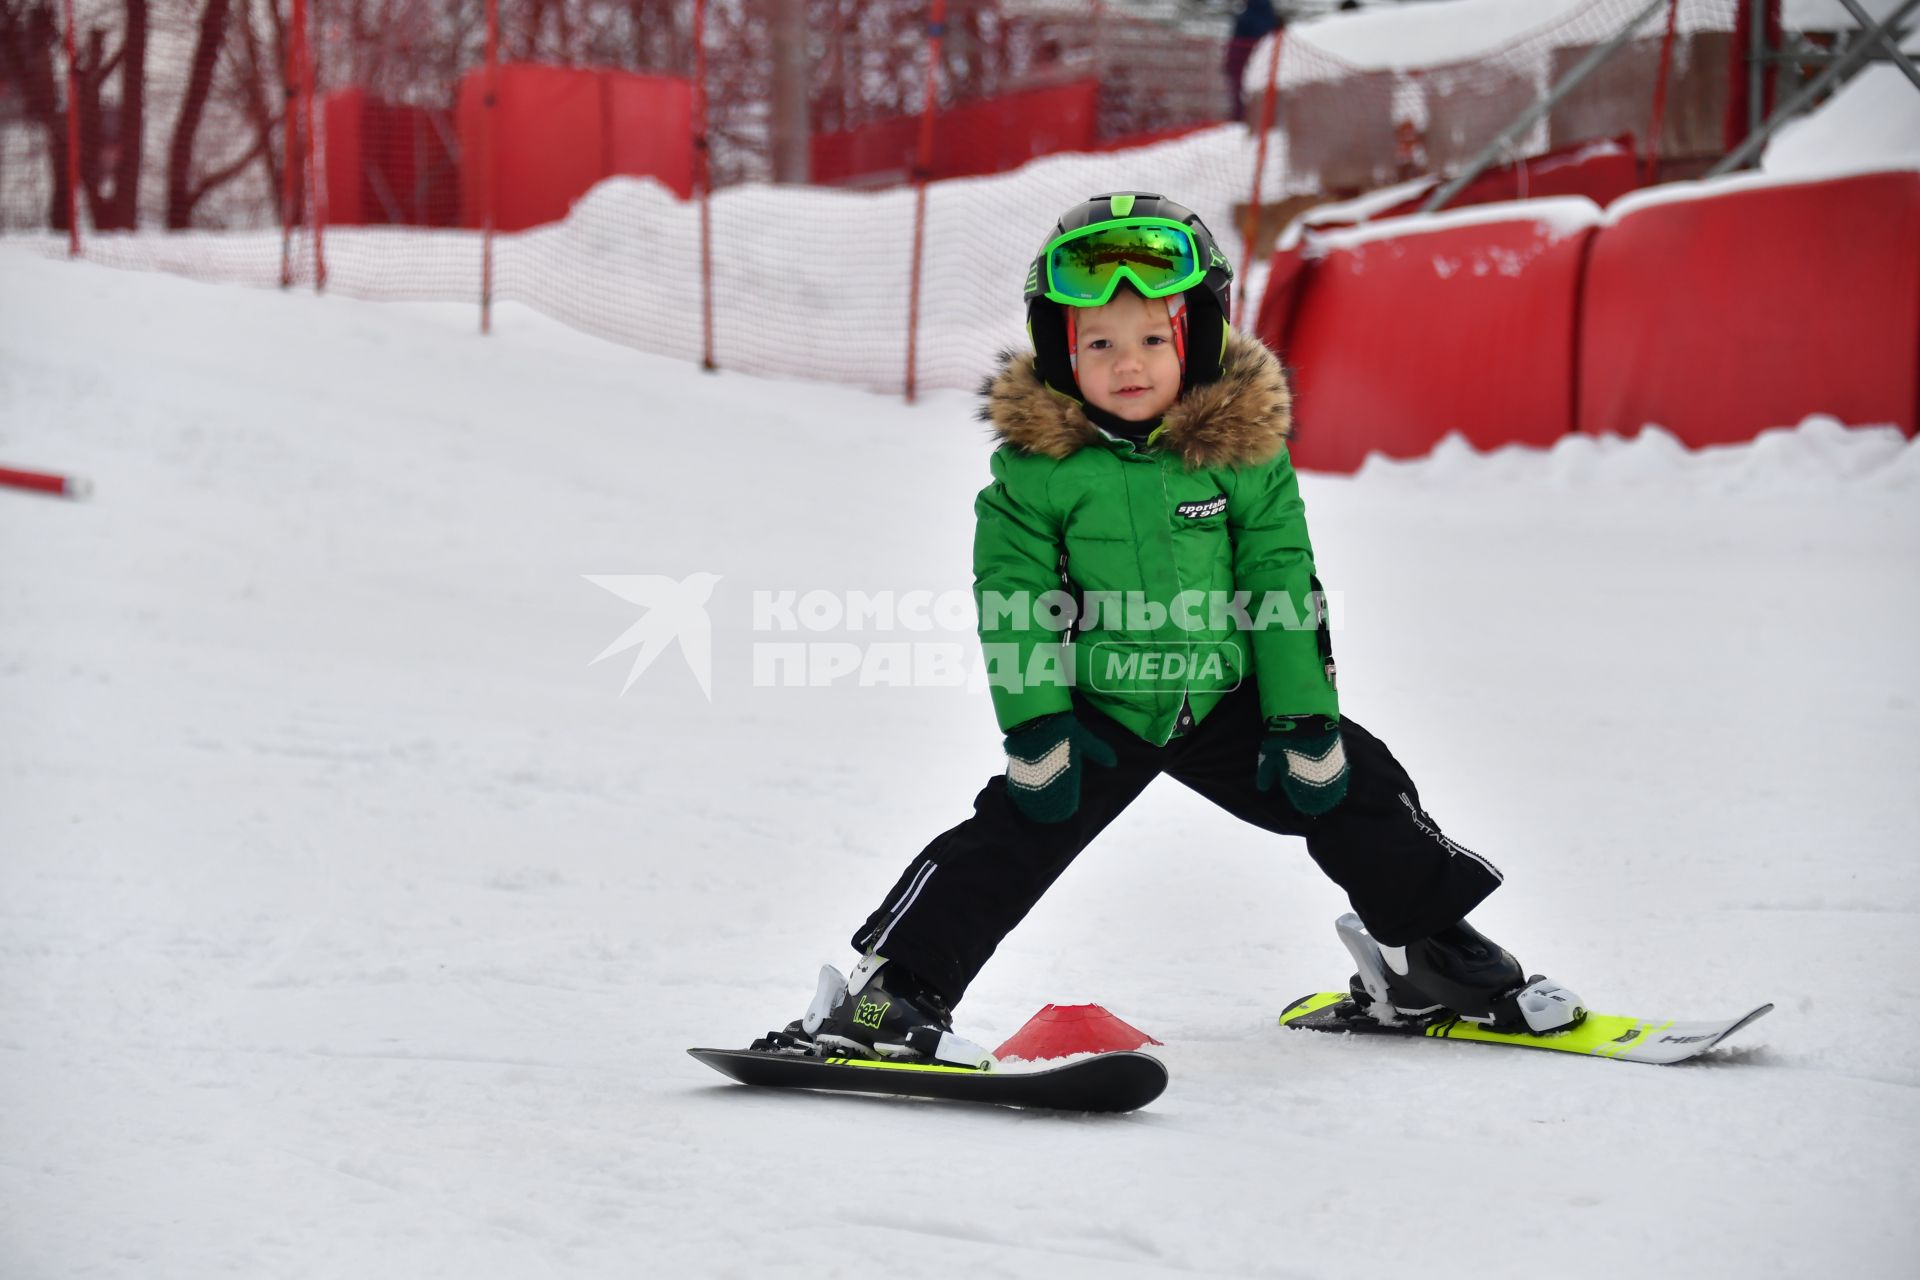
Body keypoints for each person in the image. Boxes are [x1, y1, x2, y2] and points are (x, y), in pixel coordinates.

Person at [760, 193, 1582, 1068]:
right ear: (1060, 351)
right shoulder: (1034, 475)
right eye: (1100, 344)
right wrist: (1039, 728)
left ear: (1197, 338)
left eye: (1153, 339)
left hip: (1227, 699)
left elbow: (1281, 580)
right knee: (1008, 838)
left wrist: (1304, 721)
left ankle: (1424, 958)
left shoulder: (1244, 451)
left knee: (1360, 786)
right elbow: (1014, 600)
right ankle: (887, 997)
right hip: (1101, 709)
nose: (1128, 363)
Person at [1225, 0, 1284, 123]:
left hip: (1245, 63)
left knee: (1243, 97)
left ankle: (1243, 121)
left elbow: (1238, 45)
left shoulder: (1245, 18)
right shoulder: (1272, 17)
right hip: (1267, 63)